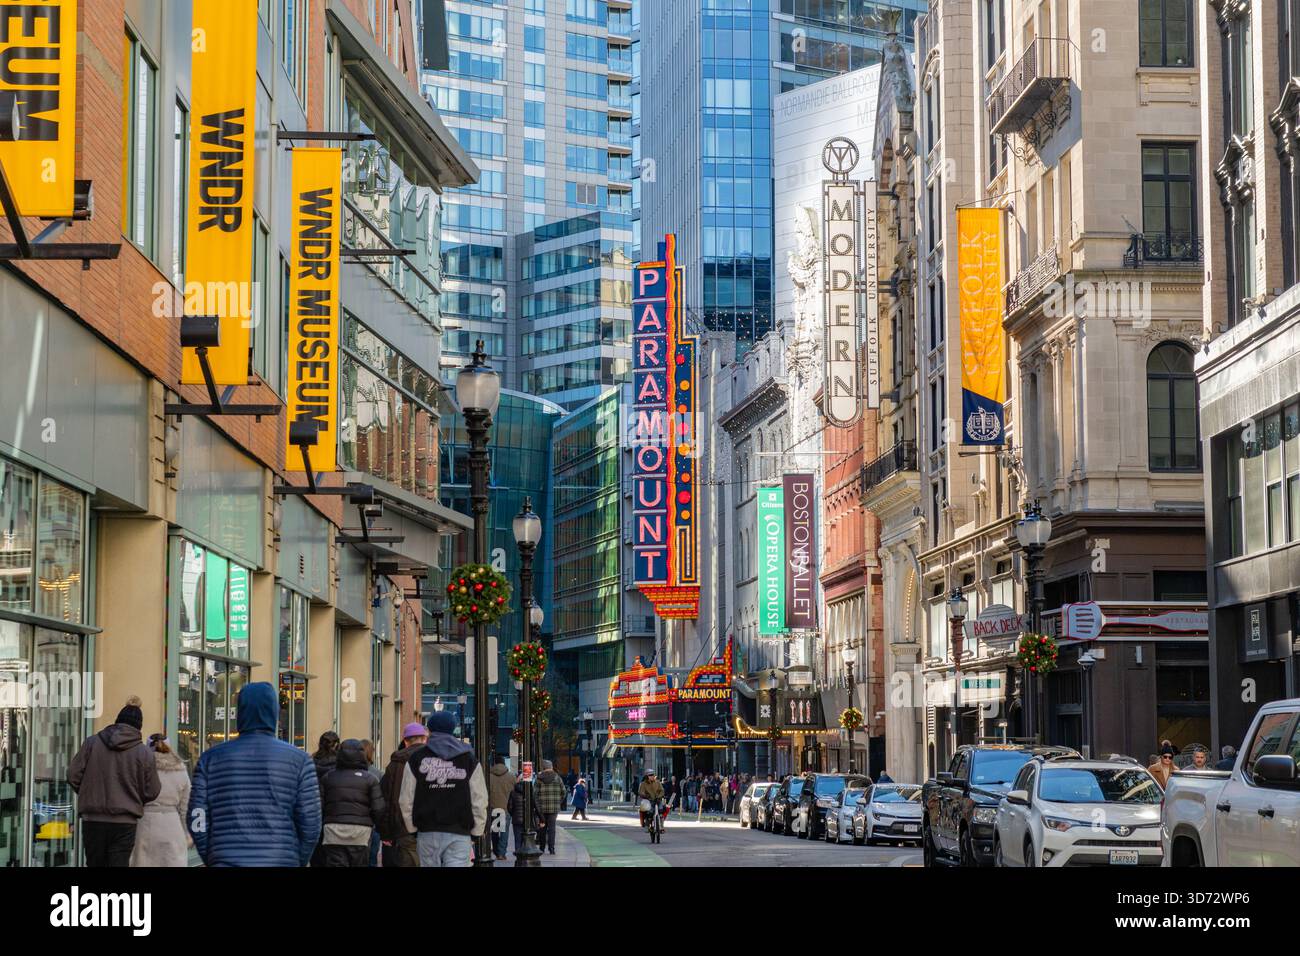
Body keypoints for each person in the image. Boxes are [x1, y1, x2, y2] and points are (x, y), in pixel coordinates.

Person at [187, 682, 321, 866]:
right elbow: (311, 824)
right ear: (274, 713)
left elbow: (197, 816)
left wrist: (212, 855)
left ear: (240, 712)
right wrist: (297, 859)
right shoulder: (300, 761)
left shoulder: (210, 759)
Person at [68, 696, 161, 867]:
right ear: (138, 726)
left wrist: (89, 792)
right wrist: (135, 798)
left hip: (93, 819)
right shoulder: (144, 753)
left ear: (117, 721)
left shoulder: (92, 743)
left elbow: (73, 774)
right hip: (125, 821)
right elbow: (153, 790)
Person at [398, 710, 487, 867]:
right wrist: (477, 831)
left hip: (427, 830)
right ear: (453, 729)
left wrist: (412, 828)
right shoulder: (468, 759)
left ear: (429, 730)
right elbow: (479, 798)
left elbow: (406, 799)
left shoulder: (416, 758)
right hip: (459, 831)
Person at [318, 739, 386, 867]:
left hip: (333, 831)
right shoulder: (370, 779)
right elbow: (379, 809)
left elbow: (319, 807)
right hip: (360, 832)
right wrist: (375, 826)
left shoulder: (328, 777)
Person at [129, 734, 189, 867]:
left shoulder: (140, 768)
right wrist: (186, 833)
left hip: (144, 824)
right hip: (172, 825)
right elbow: (185, 808)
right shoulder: (181, 770)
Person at [378, 723, 427, 867]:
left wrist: (386, 833)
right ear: (424, 739)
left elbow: (386, 799)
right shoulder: (434, 760)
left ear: (405, 741)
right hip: (430, 828)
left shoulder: (395, 764)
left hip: (403, 829)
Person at [309, 731, 340, 866]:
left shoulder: (311, 762)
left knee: (317, 856)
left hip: (315, 812)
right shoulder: (340, 765)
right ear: (336, 746)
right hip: (334, 814)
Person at [534, 759, 566, 855]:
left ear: (544, 768)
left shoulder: (539, 779)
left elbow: (534, 794)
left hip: (542, 809)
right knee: (552, 828)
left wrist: (537, 805)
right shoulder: (558, 778)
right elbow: (564, 792)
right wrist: (558, 802)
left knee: (542, 828)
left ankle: (542, 848)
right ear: (551, 767)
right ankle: (551, 849)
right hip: (554, 808)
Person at [506, 774, 543, 855]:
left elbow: (509, 807)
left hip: (516, 820)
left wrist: (514, 814)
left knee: (517, 839)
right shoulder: (531, 792)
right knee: (527, 840)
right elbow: (537, 806)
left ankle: (518, 857)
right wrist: (542, 819)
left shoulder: (513, 792)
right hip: (528, 820)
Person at [487, 756, 515, 859]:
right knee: (504, 832)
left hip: (493, 808)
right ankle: (501, 853)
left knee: (494, 831)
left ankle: (495, 850)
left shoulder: (488, 776)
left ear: (494, 763)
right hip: (505, 809)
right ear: (504, 764)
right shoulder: (511, 777)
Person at [361, 739, 383, 867]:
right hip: (373, 824)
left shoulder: (346, 773)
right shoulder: (378, 774)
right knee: (372, 859)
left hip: (357, 822)